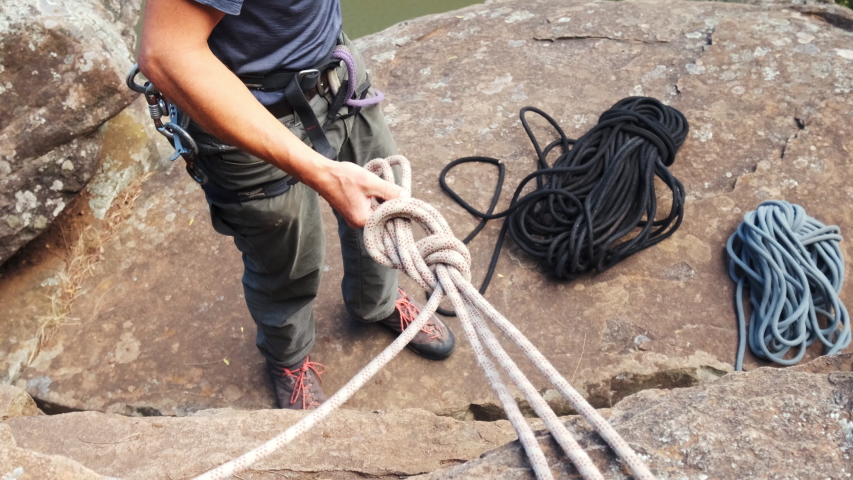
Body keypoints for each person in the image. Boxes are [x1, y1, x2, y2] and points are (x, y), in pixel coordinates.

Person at [137, 0, 456, 410]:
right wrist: (321, 172)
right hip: (246, 111)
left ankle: (376, 302)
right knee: (285, 259)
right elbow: (168, 52)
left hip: (335, 72)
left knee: (382, 212)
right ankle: (288, 358)